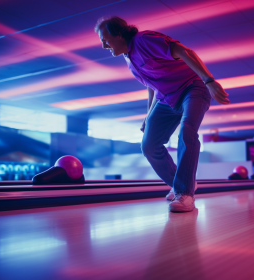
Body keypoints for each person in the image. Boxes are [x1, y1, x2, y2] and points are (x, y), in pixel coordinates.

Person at [95, 16, 230, 212]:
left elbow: (185, 52)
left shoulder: (144, 40)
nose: (103, 45)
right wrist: (148, 115)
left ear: (119, 33)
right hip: (165, 98)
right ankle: (182, 184)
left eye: (105, 39)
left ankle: (185, 193)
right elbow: (152, 86)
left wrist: (209, 81)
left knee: (187, 131)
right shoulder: (129, 59)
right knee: (149, 145)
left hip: (192, 88)